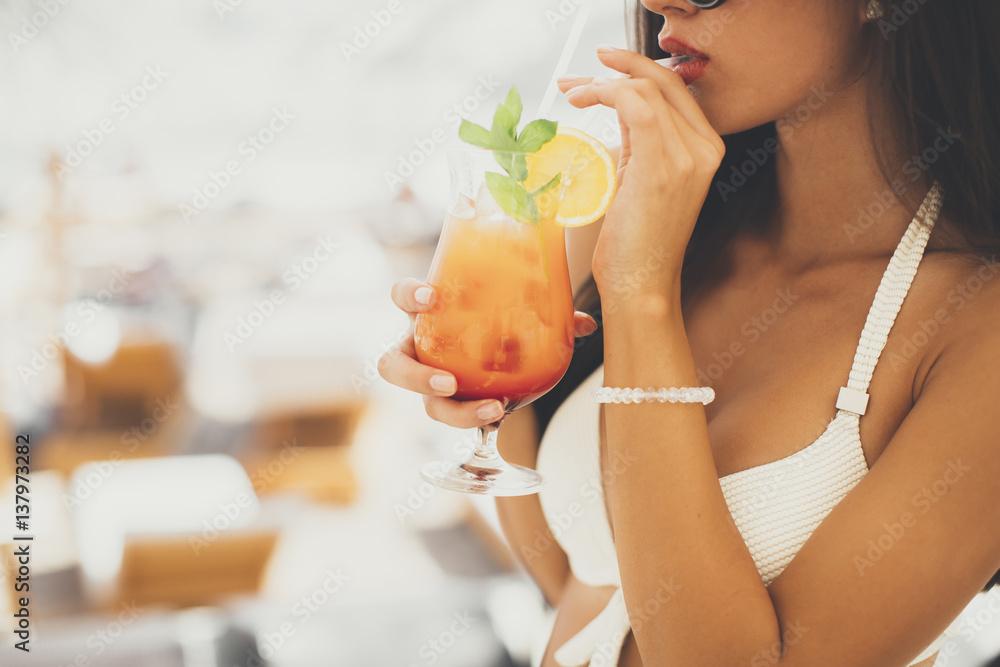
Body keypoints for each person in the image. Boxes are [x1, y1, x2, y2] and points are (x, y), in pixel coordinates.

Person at [380, 0, 1000, 665]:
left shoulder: (973, 329)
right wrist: (488, 386)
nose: (660, 2)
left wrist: (642, 294)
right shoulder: (639, 213)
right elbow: (578, 583)